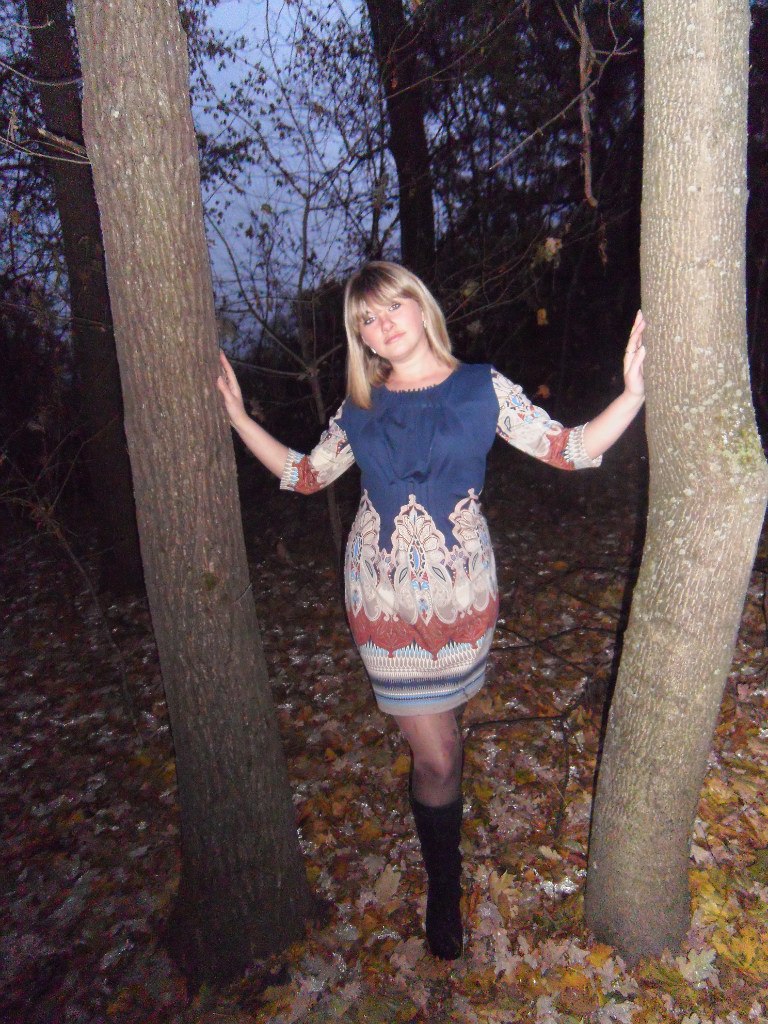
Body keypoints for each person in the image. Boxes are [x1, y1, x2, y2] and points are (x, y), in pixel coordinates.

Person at [217, 261, 646, 961]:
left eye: (391, 307)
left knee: (442, 736)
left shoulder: (482, 387)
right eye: (366, 320)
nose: (381, 325)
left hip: (462, 594)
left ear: (421, 306)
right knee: (438, 754)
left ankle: (443, 831)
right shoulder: (360, 405)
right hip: (383, 599)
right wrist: (238, 417)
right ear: (361, 339)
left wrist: (633, 395)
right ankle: (444, 890)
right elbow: (306, 475)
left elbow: (568, 450)